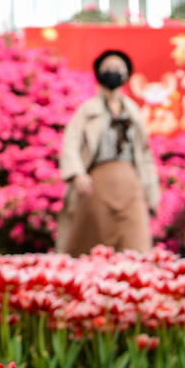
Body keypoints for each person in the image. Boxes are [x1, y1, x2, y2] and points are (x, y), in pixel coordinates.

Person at [58, 49, 160, 256]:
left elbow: (145, 154)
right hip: (96, 185)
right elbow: (71, 143)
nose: (113, 71)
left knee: (136, 245)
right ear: (98, 72)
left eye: (118, 68)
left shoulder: (133, 111)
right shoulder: (87, 110)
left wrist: (152, 194)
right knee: (91, 245)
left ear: (127, 74)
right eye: (108, 68)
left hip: (131, 183)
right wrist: (77, 174)